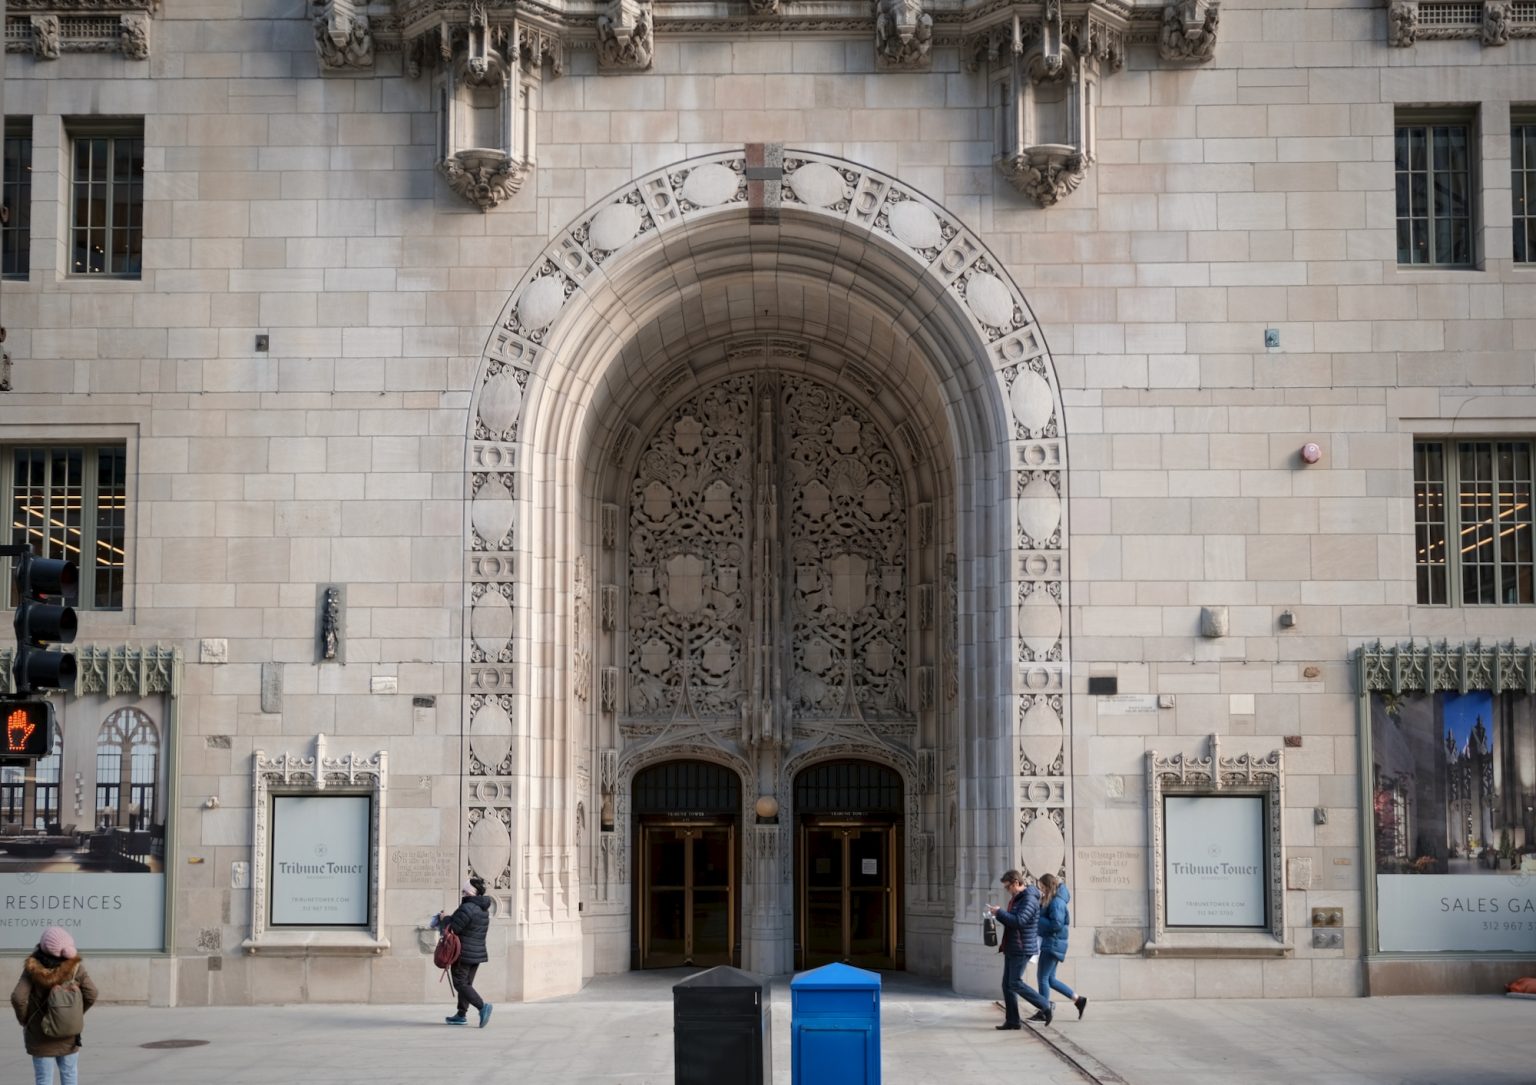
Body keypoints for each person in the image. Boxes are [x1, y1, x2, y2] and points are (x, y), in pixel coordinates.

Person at [10, 926, 98, 1085]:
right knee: (70, 1075)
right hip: (68, 1033)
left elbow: (18, 998)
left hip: (39, 1035)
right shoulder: (75, 968)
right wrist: (73, 1013)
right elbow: (92, 993)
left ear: (43, 947)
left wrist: (25, 1019)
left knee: (44, 1079)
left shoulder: (32, 969)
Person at [986, 869, 1051, 1029]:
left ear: (1016, 882)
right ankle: (1013, 1021)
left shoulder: (1028, 898)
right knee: (1006, 985)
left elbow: (1019, 921)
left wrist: (999, 913)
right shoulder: (1019, 898)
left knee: (1015, 982)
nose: (1008, 891)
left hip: (1021, 948)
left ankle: (1046, 1005)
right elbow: (1014, 921)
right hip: (1013, 946)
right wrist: (998, 914)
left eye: (1008, 887)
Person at [438, 876, 493, 1028]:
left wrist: (443, 919)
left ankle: (482, 1007)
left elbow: (455, 928)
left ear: (469, 892)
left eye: (464, 891)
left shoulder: (467, 908)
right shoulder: (483, 909)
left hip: (463, 952)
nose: (462, 894)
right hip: (477, 953)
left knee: (460, 982)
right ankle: (461, 1015)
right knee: (466, 984)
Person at [1031, 872, 1087, 1021]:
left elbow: (1056, 924)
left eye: (1042, 887)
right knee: (1050, 979)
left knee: (1042, 978)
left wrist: (1037, 920)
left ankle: (1044, 1010)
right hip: (1053, 943)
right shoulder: (1054, 900)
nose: (1041, 890)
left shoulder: (1057, 902)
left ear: (1049, 886)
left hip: (1052, 943)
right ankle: (1078, 999)